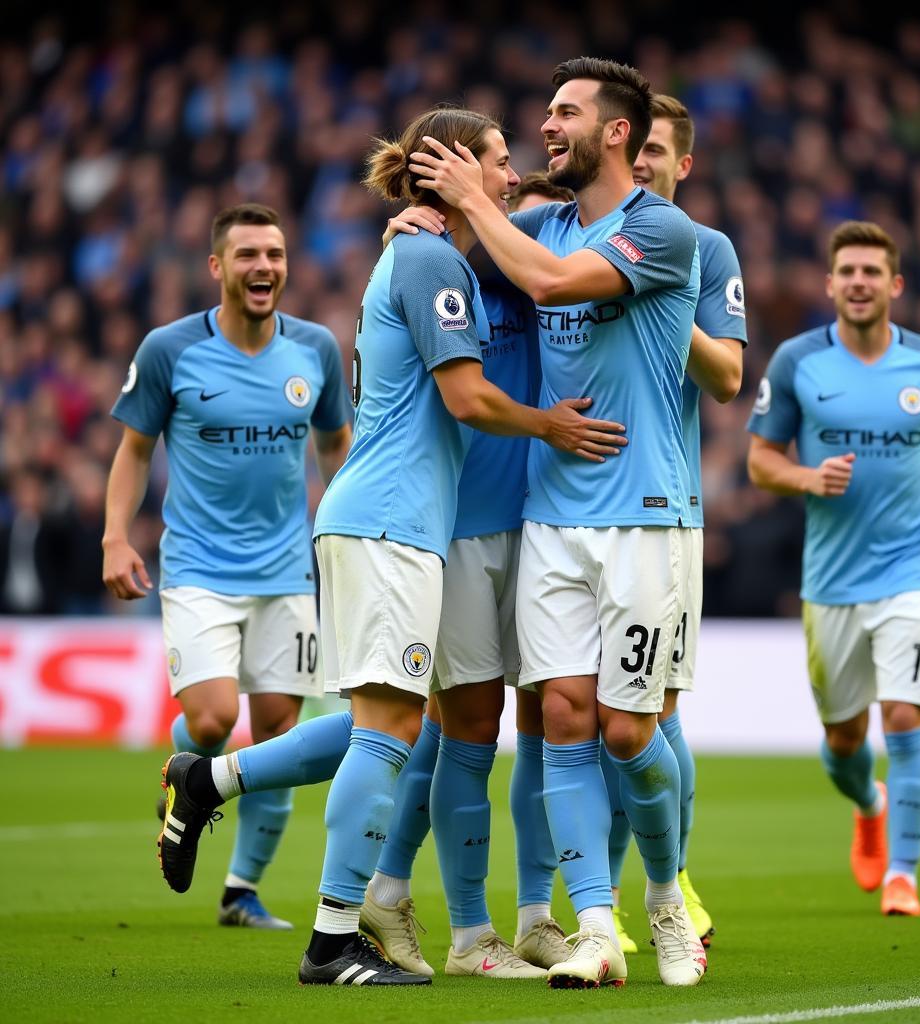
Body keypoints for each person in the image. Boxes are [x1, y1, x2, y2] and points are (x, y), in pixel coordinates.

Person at [154, 107, 628, 988]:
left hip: (390, 522)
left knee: (389, 726)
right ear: (453, 170)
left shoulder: (427, 251)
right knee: (393, 734)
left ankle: (210, 780)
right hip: (390, 522)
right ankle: (335, 939)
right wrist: (550, 427)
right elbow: (465, 398)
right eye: (496, 161)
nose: (510, 174)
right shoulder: (428, 257)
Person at [410, 58, 708, 987]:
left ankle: (665, 895)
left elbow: (544, 283)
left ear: (617, 132)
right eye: (545, 111)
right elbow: (470, 265)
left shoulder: (660, 228)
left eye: (566, 113)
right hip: (549, 518)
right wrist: (424, 229)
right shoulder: (537, 218)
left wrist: (473, 201)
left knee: (627, 731)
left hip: (641, 515)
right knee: (566, 724)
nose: (547, 125)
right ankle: (592, 925)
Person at [104, 203, 353, 929]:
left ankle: (241, 891)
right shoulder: (169, 349)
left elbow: (338, 443)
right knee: (212, 721)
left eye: (274, 255)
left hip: (286, 572)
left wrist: (342, 529)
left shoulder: (315, 350)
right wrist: (115, 538)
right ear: (217, 267)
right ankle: (187, 774)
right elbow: (135, 451)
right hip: (198, 569)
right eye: (247, 255)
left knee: (278, 737)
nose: (263, 268)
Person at [360, 171, 577, 981]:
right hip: (455, 532)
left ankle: (530, 917)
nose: (515, 218)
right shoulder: (440, 265)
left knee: (549, 730)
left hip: (546, 529)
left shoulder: (548, 272)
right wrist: (411, 226)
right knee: (465, 734)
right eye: (501, 199)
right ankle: (469, 935)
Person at [747, 220, 920, 917]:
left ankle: (904, 874)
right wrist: (806, 478)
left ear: (895, 285)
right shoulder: (797, 361)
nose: (858, 282)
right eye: (847, 271)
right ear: (829, 284)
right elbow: (762, 461)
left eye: (871, 272)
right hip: (831, 580)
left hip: (914, 565)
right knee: (844, 741)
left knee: (906, 716)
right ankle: (869, 802)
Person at [603, 93, 747, 953]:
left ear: (682, 164)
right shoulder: (580, 229)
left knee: (654, 714)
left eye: (659, 151)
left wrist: (665, 301)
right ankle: (586, 902)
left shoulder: (703, 247)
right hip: (565, 507)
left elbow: (728, 375)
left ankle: (670, 879)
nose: (646, 162)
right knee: (572, 720)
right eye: (637, 147)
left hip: (662, 507)